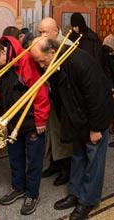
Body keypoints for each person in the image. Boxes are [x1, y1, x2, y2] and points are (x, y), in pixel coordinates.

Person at [30, 37, 113, 220]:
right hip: (78, 118)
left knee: (94, 161)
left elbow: (97, 97)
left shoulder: (79, 61)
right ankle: (75, 193)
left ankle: (87, 201)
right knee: (78, 157)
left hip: (94, 120)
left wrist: (96, 128)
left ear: (52, 51)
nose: (41, 65)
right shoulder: (58, 61)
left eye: (42, 61)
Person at [0, 36, 50, 215]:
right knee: (15, 156)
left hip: (31, 119)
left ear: (2, 52)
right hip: (12, 118)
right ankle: (19, 187)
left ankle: (32, 193)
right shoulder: (1, 62)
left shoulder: (24, 60)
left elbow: (40, 91)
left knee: (33, 158)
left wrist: (40, 119)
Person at [37, 17, 73, 186]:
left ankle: (66, 169)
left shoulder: (66, 46)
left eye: (44, 32)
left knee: (62, 135)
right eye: (40, 32)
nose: (42, 35)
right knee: (51, 134)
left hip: (63, 99)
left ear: (54, 31)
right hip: (49, 96)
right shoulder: (44, 45)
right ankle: (54, 164)